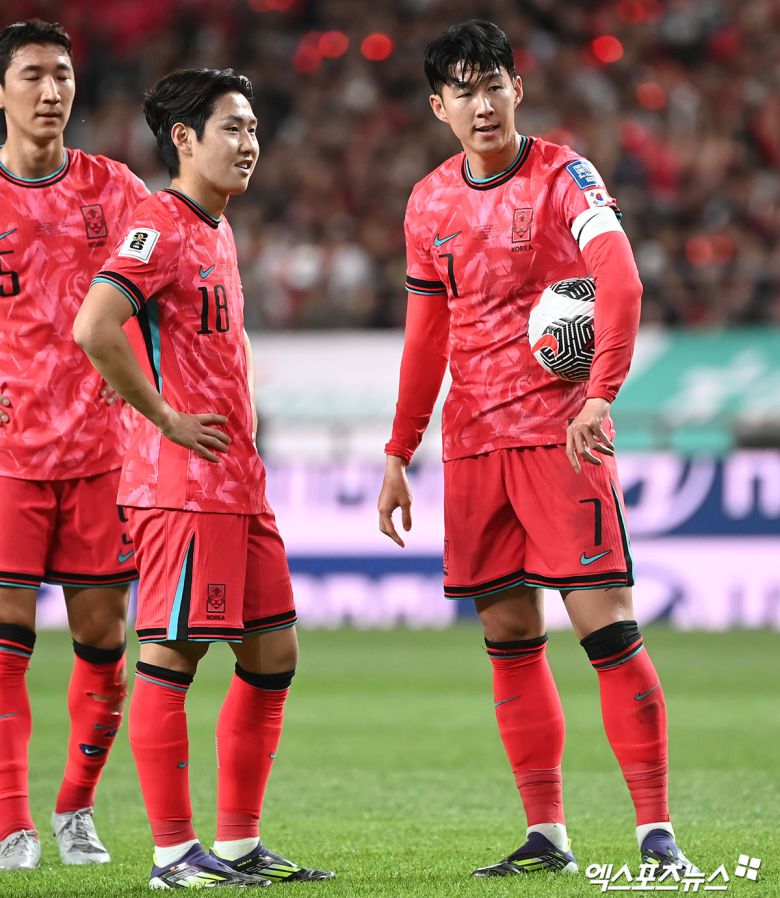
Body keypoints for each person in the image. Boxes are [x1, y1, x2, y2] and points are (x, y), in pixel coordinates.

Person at [378, 20, 697, 878]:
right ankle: (546, 836)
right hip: (474, 447)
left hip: (563, 438)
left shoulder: (566, 176)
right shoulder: (427, 203)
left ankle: (656, 836)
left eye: (495, 86)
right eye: (464, 91)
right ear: (439, 106)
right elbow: (425, 337)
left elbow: (621, 279)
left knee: (607, 630)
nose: (482, 105)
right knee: (510, 637)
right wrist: (399, 450)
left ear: (517, 89)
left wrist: (599, 395)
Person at [74, 67, 333, 889]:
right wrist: (163, 416)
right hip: (182, 486)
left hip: (236, 484)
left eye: (253, 128)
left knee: (273, 654)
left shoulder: (215, 227)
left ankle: (238, 844)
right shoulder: (159, 224)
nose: (249, 143)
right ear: (184, 140)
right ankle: (171, 854)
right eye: (232, 128)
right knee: (172, 657)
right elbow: (94, 325)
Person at [0, 19, 149, 871]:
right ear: (2, 91)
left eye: (61, 74)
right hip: (9, 460)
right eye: (31, 75)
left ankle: (75, 811)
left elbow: (162, 289)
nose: (50, 90)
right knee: (5, 642)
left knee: (102, 641)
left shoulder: (115, 190)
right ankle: (11, 822)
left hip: (101, 453)